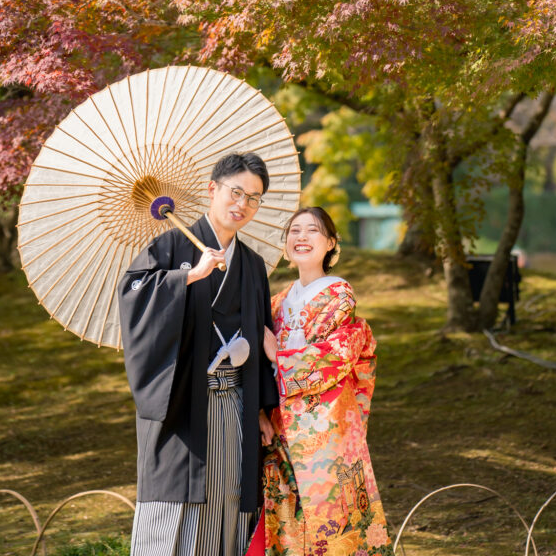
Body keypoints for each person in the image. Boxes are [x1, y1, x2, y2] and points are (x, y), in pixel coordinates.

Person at [118, 152, 279, 556]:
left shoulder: (253, 265)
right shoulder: (170, 246)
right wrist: (188, 276)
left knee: (229, 501)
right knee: (177, 507)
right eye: (236, 192)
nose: (242, 204)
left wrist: (261, 408)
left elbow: (261, 334)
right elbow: (132, 297)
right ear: (213, 189)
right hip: (184, 403)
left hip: (237, 405)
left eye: (254, 198)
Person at [261, 206, 394, 556]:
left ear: (331, 243)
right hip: (282, 425)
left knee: (334, 520)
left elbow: (338, 354)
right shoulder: (276, 303)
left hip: (326, 428)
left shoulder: (338, 295)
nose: (301, 237)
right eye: (294, 231)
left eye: (312, 231)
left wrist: (279, 356)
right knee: (289, 520)